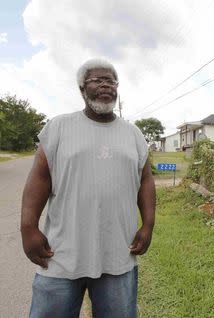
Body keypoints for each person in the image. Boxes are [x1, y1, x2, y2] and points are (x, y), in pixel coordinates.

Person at [20, 58, 156, 318]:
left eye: (111, 81)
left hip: (118, 255)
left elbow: (146, 180)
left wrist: (148, 224)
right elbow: (39, 178)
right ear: (82, 88)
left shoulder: (134, 135)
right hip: (61, 255)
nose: (106, 85)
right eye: (98, 80)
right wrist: (28, 227)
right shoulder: (59, 127)